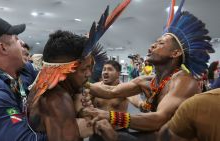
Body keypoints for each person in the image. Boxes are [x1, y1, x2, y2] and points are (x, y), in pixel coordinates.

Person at [82, 0, 214, 140]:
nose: (151, 46)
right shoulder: (147, 81)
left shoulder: (184, 81)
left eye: (160, 43)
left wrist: (110, 116)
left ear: (175, 53)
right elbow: (110, 91)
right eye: (155, 42)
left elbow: (159, 119)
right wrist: (80, 80)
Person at [27, 1, 131, 140]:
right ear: (64, 70)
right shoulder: (58, 99)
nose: (89, 74)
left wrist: (79, 110)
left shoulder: (45, 85)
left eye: (90, 68)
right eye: (84, 69)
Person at [0, 16, 47, 140]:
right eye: (16, 38)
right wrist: (70, 130)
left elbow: (52, 83)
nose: (22, 43)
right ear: (3, 48)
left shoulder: (24, 70)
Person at [90, 60, 140, 141]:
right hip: (98, 132)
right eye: (104, 69)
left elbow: (134, 98)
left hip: (119, 132)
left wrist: (141, 104)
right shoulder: (95, 87)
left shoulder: (125, 88)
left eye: (110, 69)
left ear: (118, 73)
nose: (105, 72)